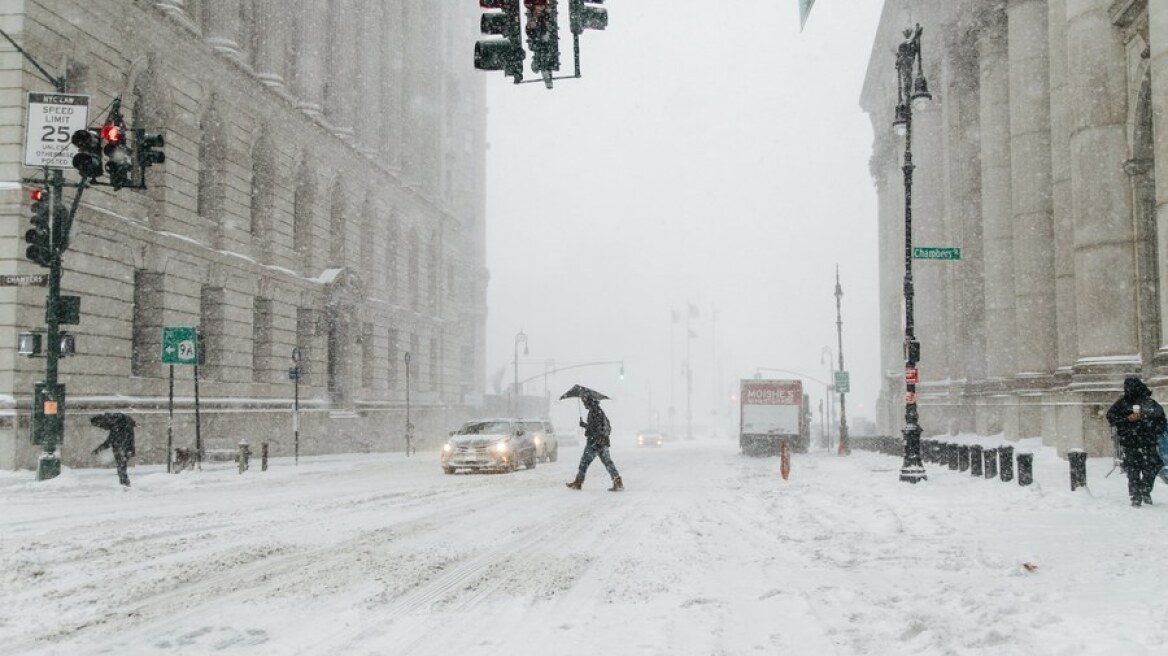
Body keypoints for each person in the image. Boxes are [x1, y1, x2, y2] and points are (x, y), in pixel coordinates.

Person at [1106, 376, 1164, 507]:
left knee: (1151, 467)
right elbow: (1111, 417)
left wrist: (1147, 423)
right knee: (1133, 470)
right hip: (1131, 442)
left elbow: (1161, 421)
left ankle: (1144, 490)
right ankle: (1136, 495)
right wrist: (1127, 419)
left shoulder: (1149, 403)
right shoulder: (1122, 404)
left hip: (1147, 442)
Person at [566, 394, 623, 491]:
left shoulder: (594, 412)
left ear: (589, 401)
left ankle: (578, 482)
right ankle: (617, 481)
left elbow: (594, 429)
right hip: (602, 442)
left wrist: (585, 425)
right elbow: (599, 427)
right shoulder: (599, 411)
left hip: (594, 442)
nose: (584, 404)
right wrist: (587, 426)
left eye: (585, 402)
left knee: (584, 462)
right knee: (607, 462)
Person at [91, 412, 137, 487]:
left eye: (100, 426)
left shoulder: (116, 424)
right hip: (124, 448)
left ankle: (125, 485)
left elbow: (110, 441)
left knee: (121, 469)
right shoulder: (118, 421)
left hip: (122, 449)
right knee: (121, 468)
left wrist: (99, 449)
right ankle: (125, 484)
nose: (103, 428)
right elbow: (111, 440)